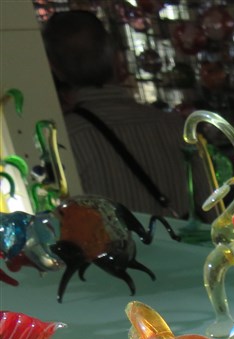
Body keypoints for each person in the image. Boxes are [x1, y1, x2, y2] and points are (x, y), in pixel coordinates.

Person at [42, 10, 196, 217]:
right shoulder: (176, 127)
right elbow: (214, 211)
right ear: (116, 58)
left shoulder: (61, 141)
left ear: (54, 68)